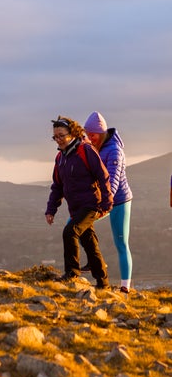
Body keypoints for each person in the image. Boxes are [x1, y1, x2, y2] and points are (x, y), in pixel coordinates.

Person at [45, 116, 113, 288]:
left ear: (73, 133)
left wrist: (106, 202)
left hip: (91, 204)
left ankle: (72, 272)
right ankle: (103, 282)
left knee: (70, 232)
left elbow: (103, 176)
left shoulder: (86, 151)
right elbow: (57, 186)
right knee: (90, 243)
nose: (58, 139)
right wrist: (51, 209)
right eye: (55, 136)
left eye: (61, 135)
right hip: (75, 208)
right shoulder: (60, 158)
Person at [83, 112, 133, 294]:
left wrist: (103, 206)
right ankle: (94, 261)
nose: (89, 138)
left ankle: (125, 288)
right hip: (101, 200)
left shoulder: (114, 151)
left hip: (119, 201)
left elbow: (112, 182)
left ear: (101, 132)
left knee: (121, 243)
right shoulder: (92, 146)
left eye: (92, 134)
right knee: (74, 225)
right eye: (87, 134)